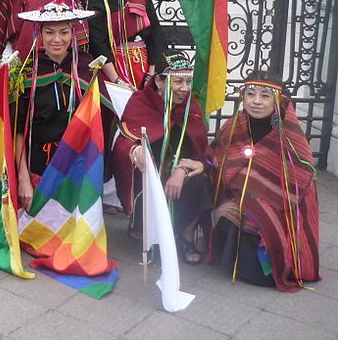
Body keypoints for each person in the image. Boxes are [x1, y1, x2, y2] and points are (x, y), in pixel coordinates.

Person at [209, 72, 320, 291]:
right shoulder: (233, 128)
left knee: (258, 216)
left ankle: (270, 266)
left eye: (265, 96)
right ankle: (237, 262)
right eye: (250, 94)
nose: (256, 101)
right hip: (240, 198)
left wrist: (258, 192)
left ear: (278, 100)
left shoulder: (289, 134)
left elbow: (301, 174)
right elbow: (217, 158)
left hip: (281, 203)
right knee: (228, 212)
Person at [113, 51, 211, 264]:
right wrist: (134, 150)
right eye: (178, 81)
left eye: (188, 81)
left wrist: (184, 170)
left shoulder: (190, 105)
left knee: (201, 181)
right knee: (146, 180)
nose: (185, 89)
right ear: (159, 81)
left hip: (181, 171)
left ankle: (185, 236)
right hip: (149, 172)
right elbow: (123, 140)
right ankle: (150, 230)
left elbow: (201, 150)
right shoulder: (140, 102)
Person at [13, 0, 96, 212]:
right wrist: (23, 179)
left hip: (77, 168)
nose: (57, 39)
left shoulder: (88, 69)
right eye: (49, 32)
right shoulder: (26, 72)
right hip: (37, 169)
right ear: (40, 34)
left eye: (64, 32)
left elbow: (99, 125)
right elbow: (17, 131)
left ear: (73, 33)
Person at [87, 0, 167, 90]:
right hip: (114, 69)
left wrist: (151, 74)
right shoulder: (96, 4)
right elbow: (99, 45)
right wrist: (117, 81)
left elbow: (155, 35)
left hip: (146, 66)